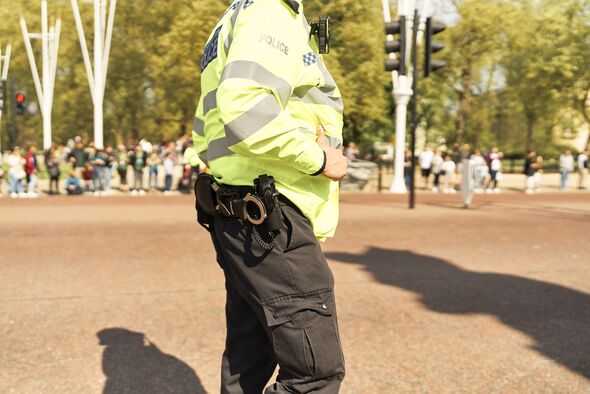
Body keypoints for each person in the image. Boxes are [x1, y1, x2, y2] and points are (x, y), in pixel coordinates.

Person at [193, 1, 347, 392]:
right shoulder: (271, 12)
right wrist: (319, 159)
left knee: (248, 362)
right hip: (273, 216)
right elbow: (244, 108)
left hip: (241, 212)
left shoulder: (233, 18)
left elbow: (205, 128)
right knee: (315, 374)